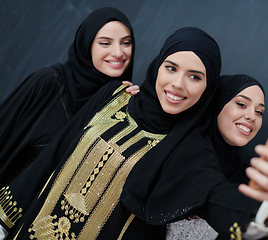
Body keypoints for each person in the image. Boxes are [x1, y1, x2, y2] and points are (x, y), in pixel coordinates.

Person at [0, 26, 222, 239]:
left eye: (195, 76)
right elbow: (54, 154)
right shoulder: (115, 95)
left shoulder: (188, 150)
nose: (177, 84)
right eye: (171, 68)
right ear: (158, 67)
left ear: (208, 87)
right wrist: (4, 220)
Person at [0, 7, 135, 186]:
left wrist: (134, 107)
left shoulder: (120, 102)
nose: (119, 53)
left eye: (126, 43)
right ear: (87, 46)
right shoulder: (47, 82)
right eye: (105, 43)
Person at [166, 75, 268, 239]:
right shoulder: (181, 149)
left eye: (259, 112)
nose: (251, 117)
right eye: (241, 104)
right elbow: (212, 192)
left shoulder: (247, 178)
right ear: (217, 103)